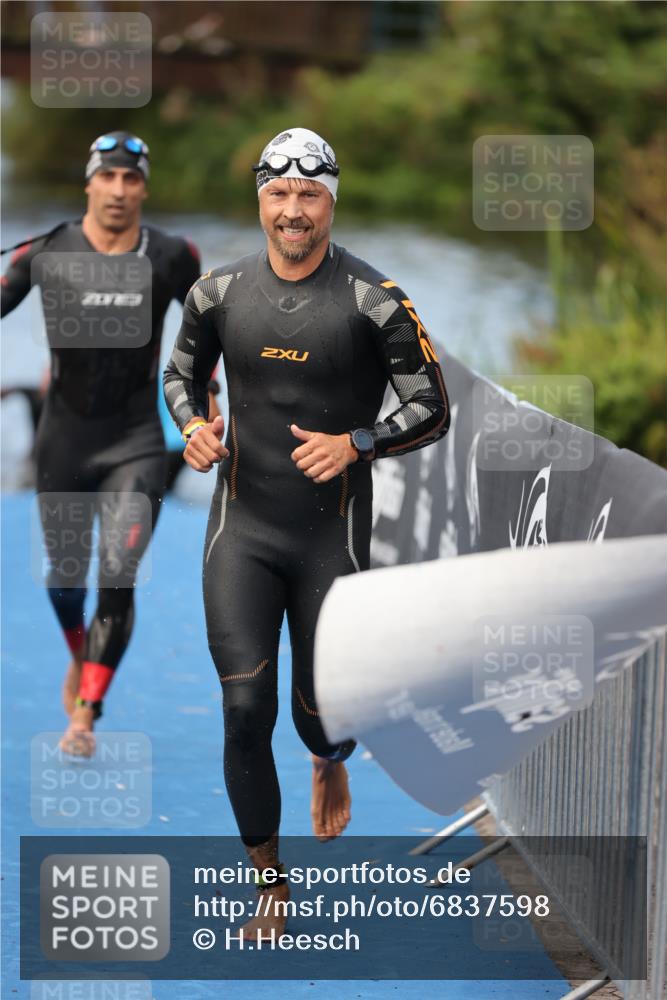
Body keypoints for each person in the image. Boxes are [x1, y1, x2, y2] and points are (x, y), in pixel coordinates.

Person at [163, 127, 450, 938]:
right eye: (278, 195)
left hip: (333, 538)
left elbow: (432, 408)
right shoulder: (217, 294)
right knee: (244, 709)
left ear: (331, 200)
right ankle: (270, 884)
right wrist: (192, 427)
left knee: (316, 718)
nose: (293, 211)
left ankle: (329, 761)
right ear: (260, 199)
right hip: (242, 529)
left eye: (308, 195)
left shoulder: (375, 301)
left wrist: (356, 443)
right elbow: (179, 376)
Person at [1, 131, 202, 755]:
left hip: (136, 439)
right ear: (89, 182)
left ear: (144, 187)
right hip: (64, 439)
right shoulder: (44, 250)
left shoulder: (173, 255)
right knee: (65, 579)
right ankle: (79, 654)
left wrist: (208, 402)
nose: (119, 190)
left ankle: (85, 712)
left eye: (131, 179)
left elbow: (208, 334)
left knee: (118, 573)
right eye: (108, 177)